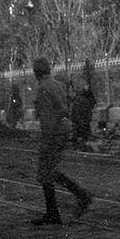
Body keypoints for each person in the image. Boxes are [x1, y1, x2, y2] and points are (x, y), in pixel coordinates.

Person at [31, 57, 93, 226]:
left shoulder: (42, 88)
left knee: (45, 173)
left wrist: (47, 136)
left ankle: (70, 203)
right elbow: (65, 107)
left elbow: (52, 113)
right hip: (63, 130)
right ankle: (75, 199)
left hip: (53, 132)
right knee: (49, 171)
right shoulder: (58, 84)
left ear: (36, 72)